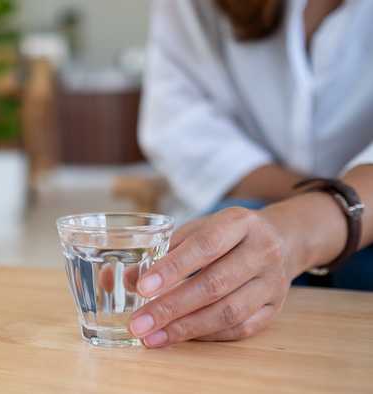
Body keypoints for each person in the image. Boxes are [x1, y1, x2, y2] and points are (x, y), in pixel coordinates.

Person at [130, 0, 373, 348]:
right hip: (255, 206)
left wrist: (302, 229)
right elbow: (179, 121)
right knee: (216, 258)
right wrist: (297, 220)